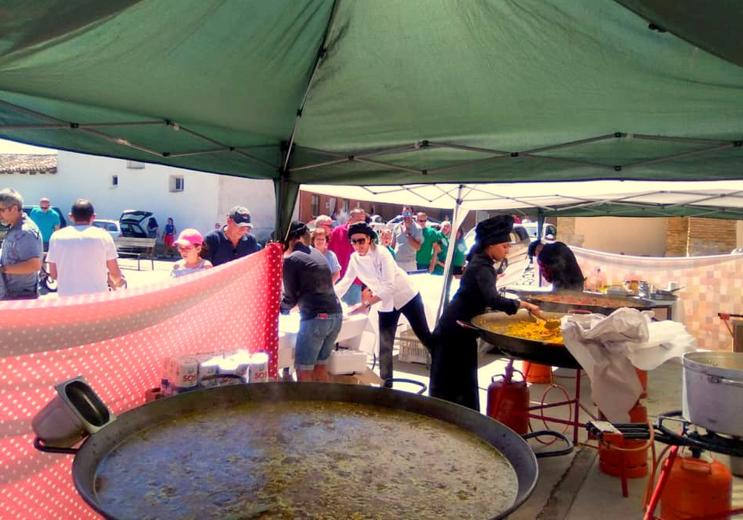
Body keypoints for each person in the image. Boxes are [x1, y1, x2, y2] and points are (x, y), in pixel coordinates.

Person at [430, 215, 540, 411]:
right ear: (490, 245)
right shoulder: (482, 266)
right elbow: (493, 299)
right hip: (455, 331)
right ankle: (457, 420)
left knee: (453, 380)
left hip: (456, 326)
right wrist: (523, 305)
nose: (507, 251)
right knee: (456, 380)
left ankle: (454, 417)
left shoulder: (481, 262)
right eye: (504, 246)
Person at [335, 222, 432, 387]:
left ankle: (441, 373)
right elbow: (345, 282)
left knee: (424, 336)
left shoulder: (382, 253)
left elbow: (390, 285)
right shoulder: (354, 258)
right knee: (385, 345)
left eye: (361, 241)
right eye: (354, 242)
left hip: (407, 296)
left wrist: (365, 304)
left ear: (370, 240)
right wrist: (328, 297)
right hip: (385, 302)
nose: (358, 245)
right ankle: (386, 386)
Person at [282, 221, 342, 382]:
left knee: (304, 372)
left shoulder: (292, 260)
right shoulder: (317, 254)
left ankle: (307, 408)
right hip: (336, 315)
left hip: (316, 318)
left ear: (291, 239)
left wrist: (279, 308)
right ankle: (326, 406)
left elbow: (289, 298)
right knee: (320, 367)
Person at [46, 199, 124, 297]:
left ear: (71, 216)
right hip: (96, 299)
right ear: (93, 217)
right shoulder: (103, 236)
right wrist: (116, 282)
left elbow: (53, 274)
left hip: (66, 299)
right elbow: (115, 273)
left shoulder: (56, 237)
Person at [0, 188, 43, 300]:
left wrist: (3, 269)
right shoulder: (15, 227)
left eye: (1, 210)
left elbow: (34, 265)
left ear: (14, 209)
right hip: (13, 294)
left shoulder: (25, 231)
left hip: (22, 295)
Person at [328, 207, 366, 304]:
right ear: (350, 219)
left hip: (355, 281)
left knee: (353, 315)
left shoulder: (365, 236)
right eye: (359, 220)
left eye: (363, 221)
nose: (361, 223)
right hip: (337, 279)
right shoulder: (337, 232)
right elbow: (328, 252)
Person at [392, 206, 422, 272]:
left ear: (412, 214)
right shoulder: (396, 227)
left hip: (410, 264)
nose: (406, 216)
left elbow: (418, 247)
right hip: (396, 263)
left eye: (408, 213)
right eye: (404, 213)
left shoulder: (418, 228)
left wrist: (407, 234)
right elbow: (392, 246)